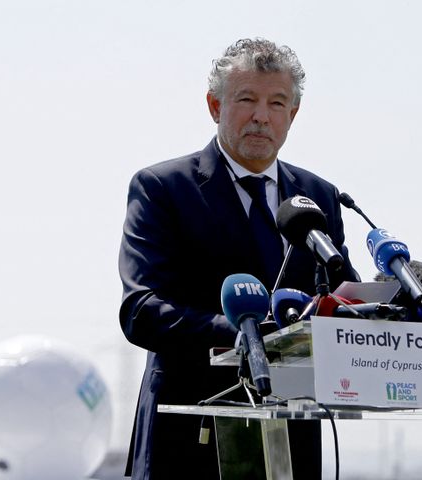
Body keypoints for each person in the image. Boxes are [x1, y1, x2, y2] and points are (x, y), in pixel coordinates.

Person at [118, 37, 360, 479]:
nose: (261, 116)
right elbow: (141, 311)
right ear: (215, 105)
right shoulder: (163, 189)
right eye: (246, 99)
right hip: (190, 432)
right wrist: (248, 334)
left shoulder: (318, 197)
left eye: (276, 103)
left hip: (290, 435)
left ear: (294, 114)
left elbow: (343, 300)